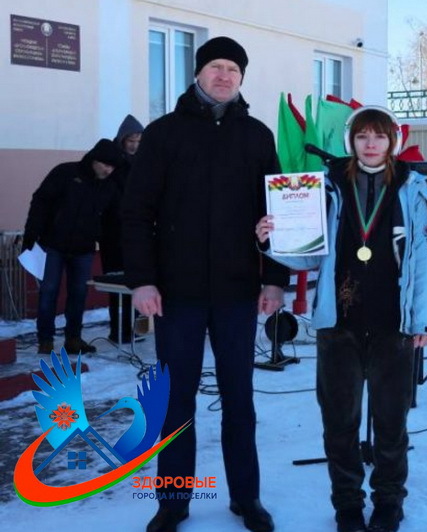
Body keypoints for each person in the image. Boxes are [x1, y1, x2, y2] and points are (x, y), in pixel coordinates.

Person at [121, 36, 289, 532]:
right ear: (197, 73)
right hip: (178, 294)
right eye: (215, 66)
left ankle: (246, 498)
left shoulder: (257, 135)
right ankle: (173, 502)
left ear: (241, 79)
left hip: (238, 292)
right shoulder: (164, 134)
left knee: (240, 399)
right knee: (177, 402)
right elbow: (136, 213)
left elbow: (277, 213)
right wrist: (142, 281)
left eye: (233, 69)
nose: (224, 76)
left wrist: (275, 279)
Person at [256, 106, 427, 532]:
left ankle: (389, 502)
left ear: (392, 141)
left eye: (379, 136)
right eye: (362, 136)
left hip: (394, 324)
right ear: (351, 142)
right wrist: (271, 241)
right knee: (339, 423)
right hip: (339, 325)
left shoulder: (413, 188)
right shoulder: (327, 187)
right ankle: (348, 504)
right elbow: (308, 256)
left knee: (391, 424)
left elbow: (424, 258)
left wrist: (425, 321)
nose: (370, 144)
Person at [22, 138, 125, 355]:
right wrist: (31, 233)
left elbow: (113, 220)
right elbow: (40, 201)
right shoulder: (65, 173)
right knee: (49, 291)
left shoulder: (110, 187)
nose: (108, 170)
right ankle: (45, 340)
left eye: (112, 167)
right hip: (53, 245)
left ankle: (73, 339)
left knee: (78, 294)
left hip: (84, 248)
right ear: (94, 159)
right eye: (105, 164)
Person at [99, 114, 144, 344]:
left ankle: (132, 327)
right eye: (131, 141)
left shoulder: (143, 163)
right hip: (113, 234)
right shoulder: (113, 164)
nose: (134, 146)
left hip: (135, 233)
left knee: (135, 280)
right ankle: (118, 329)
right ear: (122, 140)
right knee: (115, 282)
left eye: (138, 141)